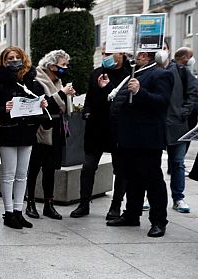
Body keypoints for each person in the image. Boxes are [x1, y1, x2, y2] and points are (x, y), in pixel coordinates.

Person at [107, 51, 173, 237]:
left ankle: (159, 221)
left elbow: (162, 102)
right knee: (132, 179)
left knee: (152, 181)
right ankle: (131, 214)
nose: (132, 56)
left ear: (145, 55)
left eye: (137, 53)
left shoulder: (161, 74)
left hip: (147, 138)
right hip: (129, 137)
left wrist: (139, 92)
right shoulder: (136, 73)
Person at [0, 46, 48, 229]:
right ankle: (8, 213)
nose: (14, 60)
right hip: (7, 132)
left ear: (23, 58)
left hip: (26, 132)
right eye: (9, 58)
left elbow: (39, 104)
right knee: (8, 174)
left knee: (22, 175)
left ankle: (18, 211)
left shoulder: (31, 80)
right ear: (3, 61)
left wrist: (43, 104)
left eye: (17, 57)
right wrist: (2, 109)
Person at [70, 47, 132, 219]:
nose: (106, 57)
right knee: (88, 167)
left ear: (121, 54)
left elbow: (121, 99)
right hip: (95, 128)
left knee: (120, 169)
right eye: (104, 53)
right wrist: (87, 110)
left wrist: (108, 87)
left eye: (110, 53)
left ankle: (116, 206)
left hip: (117, 129)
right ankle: (84, 204)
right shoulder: (97, 73)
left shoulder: (129, 75)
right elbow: (90, 97)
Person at [26, 49, 76, 220]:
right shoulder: (37, 81)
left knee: (50, 169)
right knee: (34, 168)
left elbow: (61, 105)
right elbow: (45, 105)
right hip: (42, 130)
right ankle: (30, 203)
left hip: (57, 129)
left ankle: (49, 204)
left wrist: (67, 95)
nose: (65, 68)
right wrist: (63, 93)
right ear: (52, 66)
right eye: (63, 65)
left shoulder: (58, 81)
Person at [160, 46, 198, 213]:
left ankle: (178, 198)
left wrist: (184, 111)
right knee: (151, 163)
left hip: (177, 125)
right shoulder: (150, 70)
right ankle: (148, 196)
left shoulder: (181, 71)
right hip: (157, 125)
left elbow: (193, 92)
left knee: (178, 163)